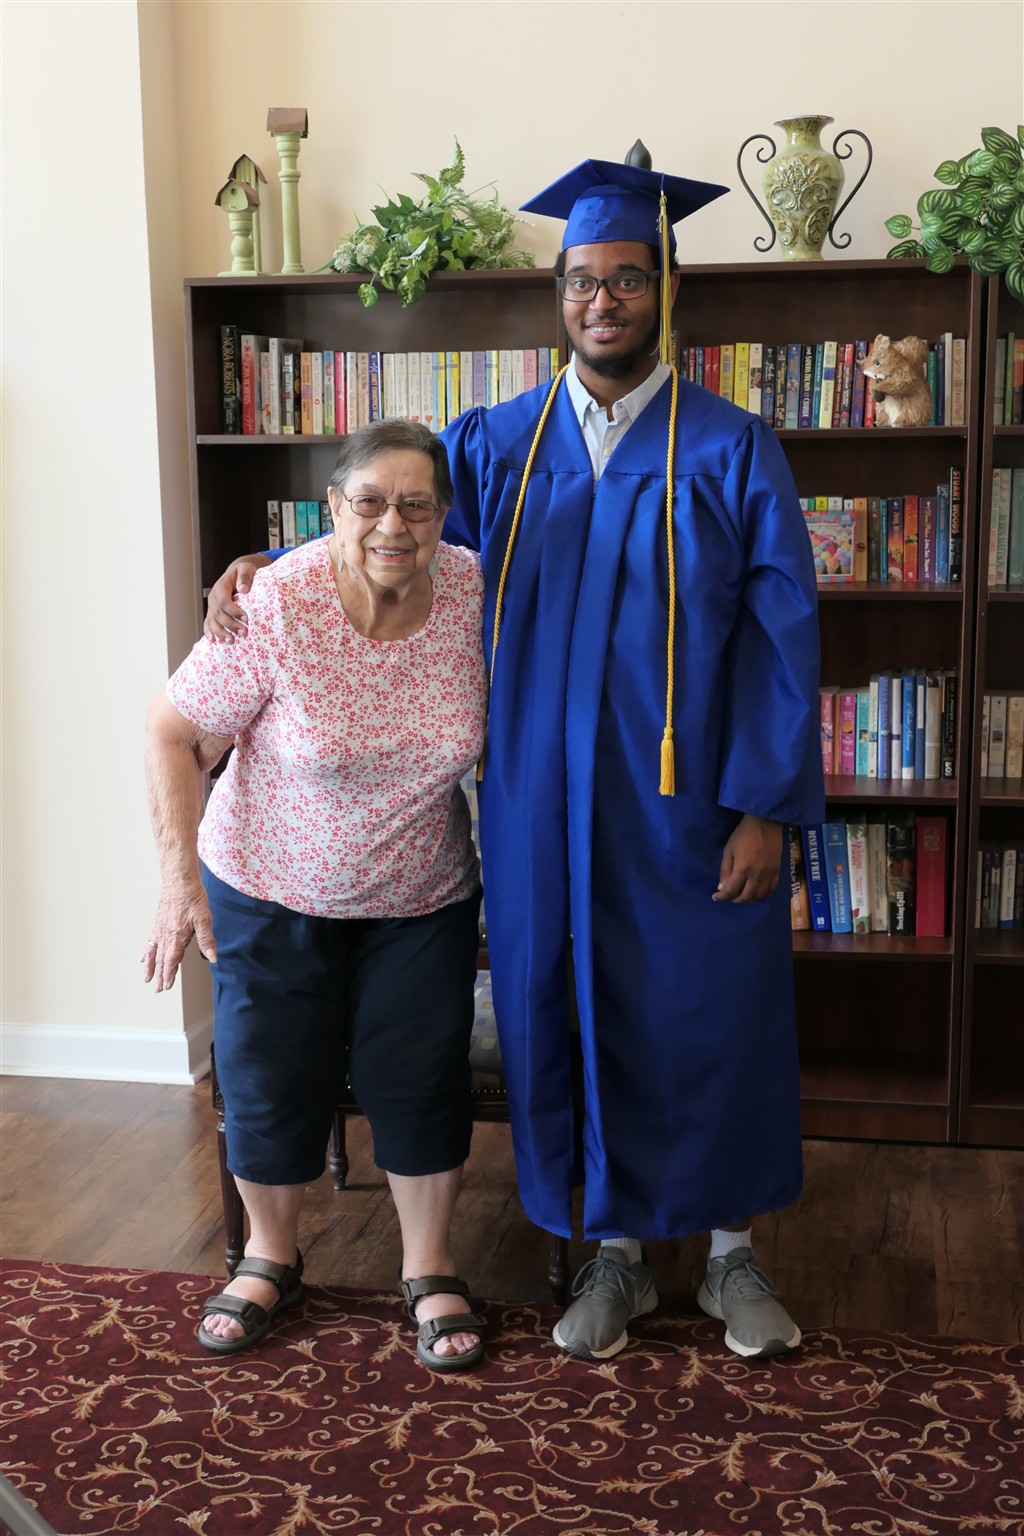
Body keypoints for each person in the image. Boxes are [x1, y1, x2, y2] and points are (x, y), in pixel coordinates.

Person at [205, 154, 826, 1364]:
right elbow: (392, 530)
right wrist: (269, 566)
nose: (604, 300)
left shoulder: (733, 447)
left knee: (710, 1011)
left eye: (628, 279)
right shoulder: (499, 443)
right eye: (583, 280)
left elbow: (782, 635)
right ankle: (615, 1253)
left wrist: (763, 805)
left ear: (665, 291)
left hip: (692, 802)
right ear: (560, 293)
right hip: (540, 804)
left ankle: (732, 1253)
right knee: (573, 1007)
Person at [143, 419, 489, 1371]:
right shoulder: (277, 604)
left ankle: (428, 1265)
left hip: (421, 894)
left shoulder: (475, 593)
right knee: (268, 1072)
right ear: (332, 507)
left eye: (417, 505)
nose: (393, 524)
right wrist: (177, 884)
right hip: (269, 884)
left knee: (418, 1074)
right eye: (368, 501)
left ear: (445, 514)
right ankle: (270, 1258)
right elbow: (170, 733)